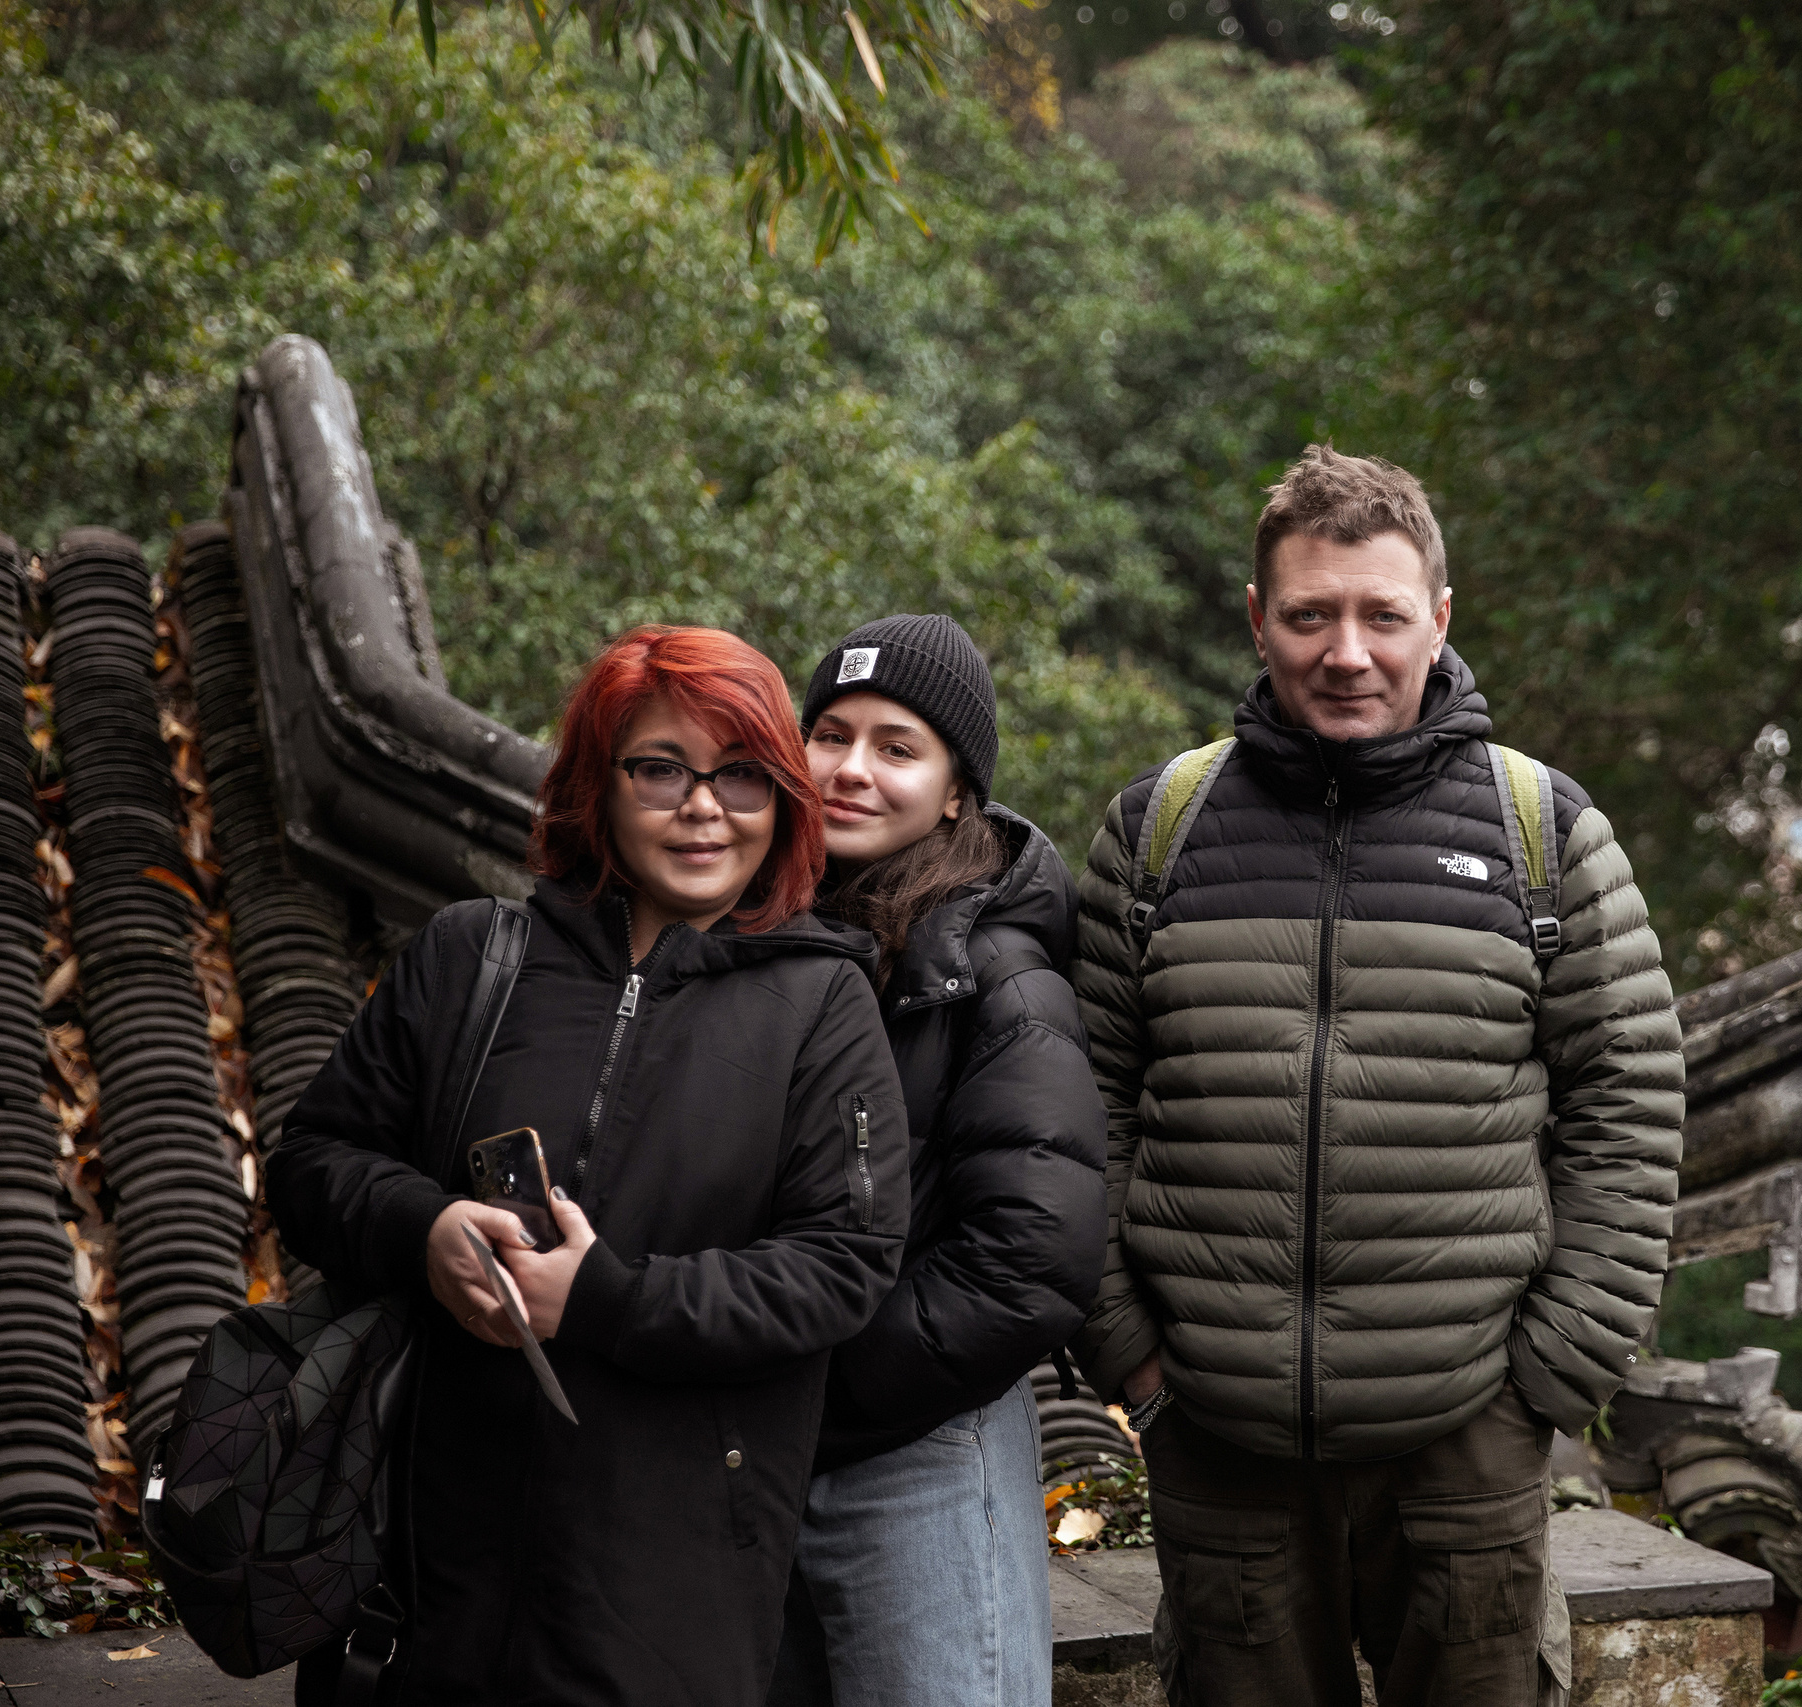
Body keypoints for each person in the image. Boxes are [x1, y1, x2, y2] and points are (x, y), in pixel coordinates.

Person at [1069, 447, 1684, 1707]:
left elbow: (1629, 1113)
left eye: (1381, 615)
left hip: (1467, 1445)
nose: (1345, 651)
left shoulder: (1543, 835)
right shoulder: (1157, 831)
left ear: (1437, 619)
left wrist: (1547, 1383)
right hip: (1218, 1443)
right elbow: (1079, 1116)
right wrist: (1135, 1358)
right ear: (1258, 620)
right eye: (1309, 615)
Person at [267, 625, 909, 1707]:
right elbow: (313, 1164)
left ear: (784, 799)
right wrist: (424, 1231)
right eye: (661, 768)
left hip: (673, 1583)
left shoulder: (822, 1004)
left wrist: (606, 1297)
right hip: (423, 1567)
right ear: (596, 784)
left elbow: (843, 1262)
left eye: (743, 775)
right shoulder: (473, 956)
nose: (703, 807)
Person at [769, 614, 1106, 1707]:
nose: (851, 770)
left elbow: (1029, 1262)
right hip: (748, 1448)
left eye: (897, 747)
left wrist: (808, 1391)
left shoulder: (997, 975)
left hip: (921, 1444)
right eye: (831, 734)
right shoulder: (737, 931)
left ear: (958, 790)